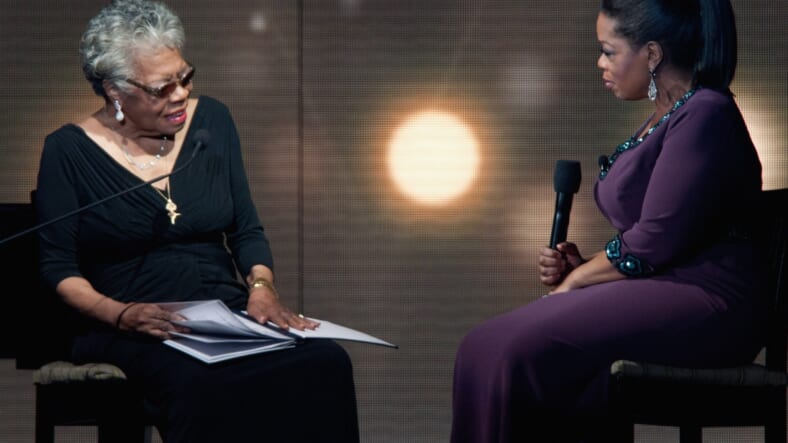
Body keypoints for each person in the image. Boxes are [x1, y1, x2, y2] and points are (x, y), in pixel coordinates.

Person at [35, 1, 359, 442]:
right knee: (205, 385)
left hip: (222, 315)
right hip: (131, 324)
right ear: (115, 91)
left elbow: (246, 229)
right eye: (161, 88)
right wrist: (122, 314)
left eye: (184, 77)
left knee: (325, 362)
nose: (179, 94)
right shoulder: (67, 150)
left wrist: (261, 288)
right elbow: (58, 269)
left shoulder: (213, 122)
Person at [451, 0, 765, 441]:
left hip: (710, 302)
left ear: (652, 54)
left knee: (511, 349)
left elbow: (654, 241)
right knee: (482, 345)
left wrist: (578, 281)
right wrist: (585, 267)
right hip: (664, 288)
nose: (600, 63)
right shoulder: (667, 118)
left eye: (608, 50)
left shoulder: (706, 112)